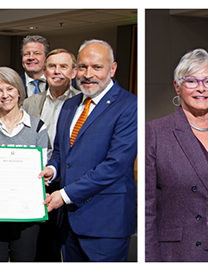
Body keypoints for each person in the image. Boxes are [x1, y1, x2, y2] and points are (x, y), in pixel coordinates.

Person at [38, 39, 136, 261]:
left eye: (97, 67)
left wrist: (64, 195)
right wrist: (52, 169)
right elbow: (62, 152)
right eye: (82, 67)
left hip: (106, 222)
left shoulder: (129, 106)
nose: (88, 74)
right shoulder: (70, 105)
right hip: (69, 222)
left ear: (112, 69)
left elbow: (115, 165)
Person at [145, 48, 208, 262]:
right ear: (177, 86)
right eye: (191, 81)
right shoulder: (155, 133)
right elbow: (147, 210)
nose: (201, 88)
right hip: (178, 255)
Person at [0, 67, 49, 261]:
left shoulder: (38, 127)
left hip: (28, 213)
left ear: (19, 91)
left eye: (9, 89)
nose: (5, 95)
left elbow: (43, 166)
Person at [22, 48, 80, 261]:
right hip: (39, 179)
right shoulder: (31, 103)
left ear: (73, 72)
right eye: (52, 67)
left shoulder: (82, 102)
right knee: (42, 243)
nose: (57, 72)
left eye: (63, 67)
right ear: (44, 71)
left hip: (69, 180)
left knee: (67, 241)